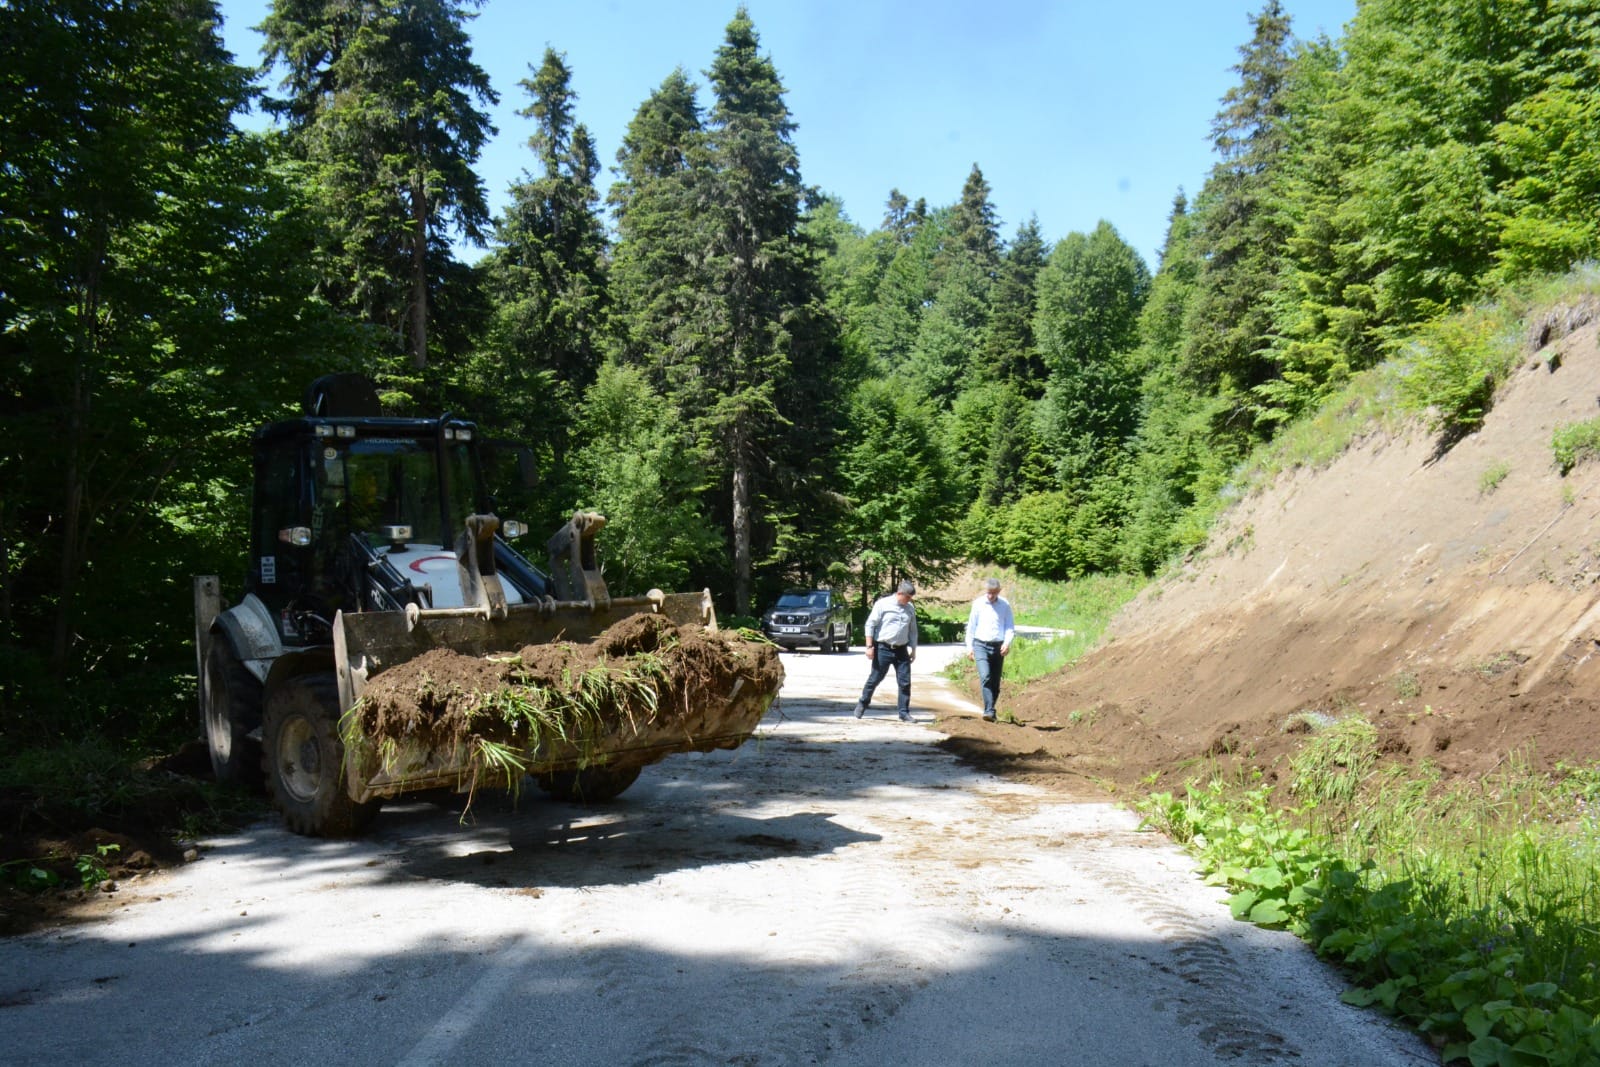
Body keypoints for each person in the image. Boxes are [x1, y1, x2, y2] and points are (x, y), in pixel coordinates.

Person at [853, 580, 918, 722]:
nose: (908, 600)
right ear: (900, 593)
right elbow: (870, 624)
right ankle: (863, 703)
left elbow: (913, 631)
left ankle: (904, 713)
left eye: (910, 598)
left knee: (905, 682)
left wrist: (913, 649)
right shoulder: (882, 604)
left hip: (901, 649)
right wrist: (869, 647)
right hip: (883, 648)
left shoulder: (910, 608)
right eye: (907, 597)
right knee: (875, 678)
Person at [966, 577, 1016, 723]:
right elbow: (971, 627)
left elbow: (1009, 626)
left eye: (994, 593)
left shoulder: (1004, 605)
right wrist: (969, 647)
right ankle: (988, 710)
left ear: (999, 591)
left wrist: (1007, 643)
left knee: (995, 682)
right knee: (985, 676)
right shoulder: (978, 604)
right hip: (980, 644)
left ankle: (991, 709)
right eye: (988, 592)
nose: (990, 595)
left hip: (998, 646)